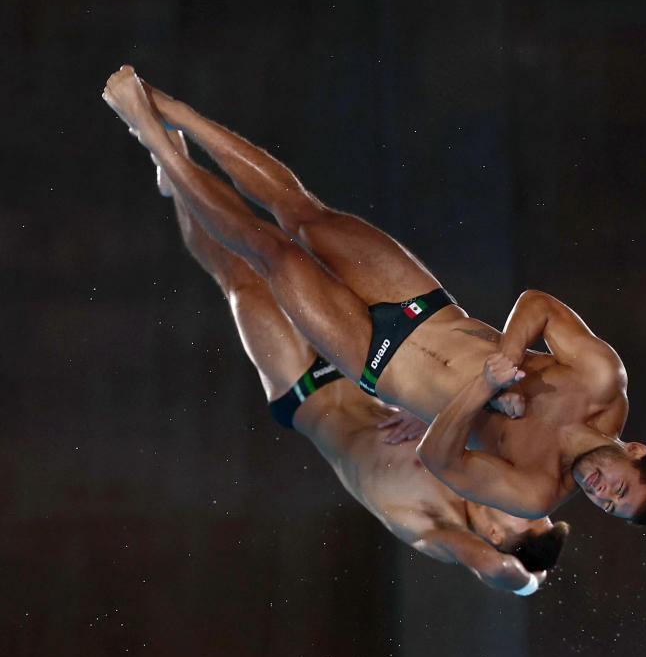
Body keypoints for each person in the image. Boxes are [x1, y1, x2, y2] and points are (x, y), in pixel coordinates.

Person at [102, 65, 646, 525]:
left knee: (270, 253)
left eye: (608, 506)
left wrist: (483, 387)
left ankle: (157, 141)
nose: (600, 493)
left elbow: (437, 459)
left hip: (374, 360)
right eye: (619, 487)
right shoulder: (602, 379)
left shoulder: (535, 491)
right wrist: (505, 356)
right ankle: (177, 114)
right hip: (423, 307)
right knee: (303, 214)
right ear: (634, 451)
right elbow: (539, 303)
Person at [150, 128, 568, 595]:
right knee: (269, 250)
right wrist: (429, 409)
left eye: (527, 514)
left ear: (497, 535)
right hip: (359, 363)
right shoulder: (480, 465)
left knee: (239, 279)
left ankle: (174, 169)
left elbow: (493, 568)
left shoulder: (438, 532)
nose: (525, 499)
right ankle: (180, 171)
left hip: (304, 388)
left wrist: (528, 583)